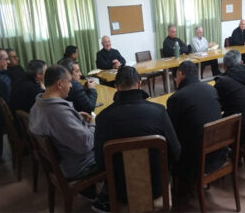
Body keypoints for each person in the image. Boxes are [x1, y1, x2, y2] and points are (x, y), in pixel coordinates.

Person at [93, 66, 181, 211]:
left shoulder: (103, 118)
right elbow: (176, 152)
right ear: (140, 84)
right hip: (156, 188)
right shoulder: (159, 111)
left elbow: (100, 163)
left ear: (116, 87)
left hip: (121, 192)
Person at [29, 65, 97, 180]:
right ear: (60, 84)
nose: (71, 85)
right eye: (69, 81)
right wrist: (93, 124)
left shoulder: (38, 104)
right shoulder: (58, 112)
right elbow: (86, 145)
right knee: (112, 146)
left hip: (63, 160)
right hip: (79, 165)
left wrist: (75, 118)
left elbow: (57, 125)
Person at [167, 61, 226, 183]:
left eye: (176, 76)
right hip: (219, 152)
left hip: (195, 160)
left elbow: (172, 131)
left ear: (181, 74)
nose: (175, 79)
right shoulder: (211, 89)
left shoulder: (177, 98)